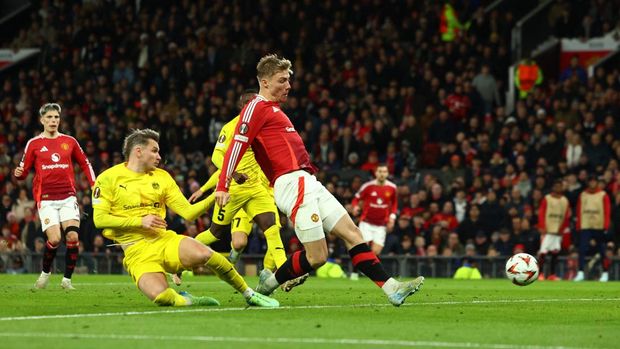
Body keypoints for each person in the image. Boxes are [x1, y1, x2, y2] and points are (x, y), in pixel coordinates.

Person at [215, 54, 424, 306]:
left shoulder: (272, 110)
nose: (289, 86)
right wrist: (222, 184)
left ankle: (392, 288)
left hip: (308, 181)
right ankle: (268, 284)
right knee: (317, 256)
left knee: (353, 233)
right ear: (265, 82)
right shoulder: (255, 107)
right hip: (291, 183)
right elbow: (236, 146)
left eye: (289, 80)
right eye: (282, 80)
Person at [92, 128, 278, 307]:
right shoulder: (108, 178)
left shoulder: (163, 177)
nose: (159, 156)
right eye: (154, 151)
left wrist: (217, 193)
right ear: (138, 151)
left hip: (163, 241)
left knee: (205, 253)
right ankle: (186, 299)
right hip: (136, 251)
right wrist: (140, 221)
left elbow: (189, 213)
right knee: (162, 297)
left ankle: (250, 294)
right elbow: (99, 220)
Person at [188, 91, 305, 291]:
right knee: (215, 234)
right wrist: (230, 175)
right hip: (234, 190)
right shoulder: (232, 127)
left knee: (272, 230)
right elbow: (217, 158)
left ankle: (284, 274)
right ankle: (181, 257)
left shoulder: (264, 126)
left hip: (258, 190)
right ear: (247, 107)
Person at [14, 103, 96, 290]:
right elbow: (23, 171)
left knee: (73, 237)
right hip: (46, 198)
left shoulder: (70, 141)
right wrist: (18, 173)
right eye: (49, 117)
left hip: (68, 196)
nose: (53, 121)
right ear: (42, 120)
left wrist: (94, 184)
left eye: (56, 117)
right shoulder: (33, 143)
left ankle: (67, 280)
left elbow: (85, 163)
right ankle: (45, 273)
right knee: (55, 239)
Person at [351, 164, 397, 256]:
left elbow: (394, 204)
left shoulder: (392, 188)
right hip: (366, 223)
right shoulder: (367, 186)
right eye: (380, 171)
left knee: (376, 252)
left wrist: (392, 218)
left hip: (381, 225)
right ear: (376, 173)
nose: (382, 174)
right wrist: (355, 207)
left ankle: (368, 270)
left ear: (387, 173)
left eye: (384, 172)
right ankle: (360, 270)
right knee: (364, 250)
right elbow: (356, 199)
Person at [574, 175, 611, 282]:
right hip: (585, 226)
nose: (592, 184)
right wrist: (579, 226)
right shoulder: (583, 195)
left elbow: (607, 211)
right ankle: (580, 272)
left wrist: (606, 226)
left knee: (602, 250)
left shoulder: (603, 195)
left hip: (599, 226)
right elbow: (579, 211)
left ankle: (605, 272)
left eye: (594, 181)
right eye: (591, 181)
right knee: (582, 249)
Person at [537, 179, 570, 281]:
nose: (558, 188)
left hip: (557, 231)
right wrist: (542, 227)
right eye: (556, 186)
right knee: (543, 252)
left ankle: (552, 274)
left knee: (555, 253)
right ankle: (540, 274)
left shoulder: (565, 200)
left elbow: (566, 216)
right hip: (547, 230)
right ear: (553, 187)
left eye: (559, 186)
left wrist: (562, 229)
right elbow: (542, 213)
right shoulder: (547, 198)